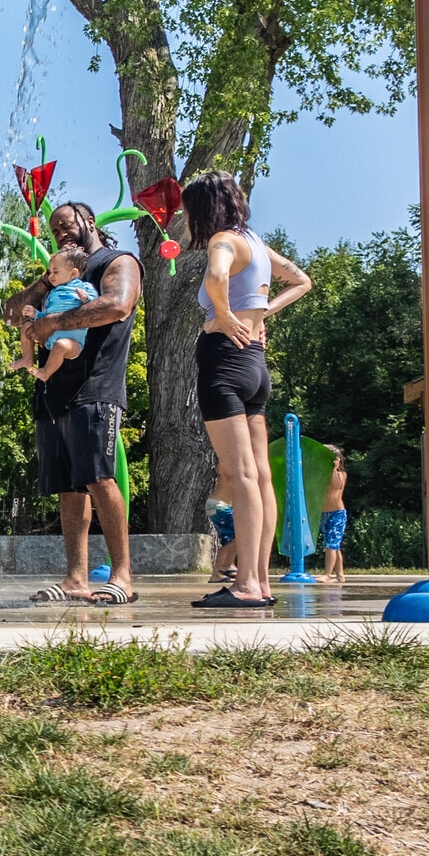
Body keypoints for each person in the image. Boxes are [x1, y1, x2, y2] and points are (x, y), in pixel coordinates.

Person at [180, 172, 312, 609]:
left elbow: (217, 277)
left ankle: (246, 587)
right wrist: (260, 314)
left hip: (223, 362)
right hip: (255, 367)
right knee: (259, 477)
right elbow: (302, 280)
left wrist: (224, 313)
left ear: (203, 208)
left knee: (239, 477)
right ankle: (260, 581)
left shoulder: (223, 241)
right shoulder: (255, 242)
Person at [5, 201, 143, 605]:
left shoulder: (118, 261)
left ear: (89, 221)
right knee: (69, 486)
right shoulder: (57, 276)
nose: (61, 232)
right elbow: (12, 314)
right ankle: (75, 579)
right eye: (55, 229)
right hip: (53, 390)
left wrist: (56, 322)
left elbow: (118, 304)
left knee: (100, 477)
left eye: (67, 224)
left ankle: (122, 576)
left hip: (95, 387)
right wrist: (48, 283)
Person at [9, 248, 97, 381]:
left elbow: (96, 306)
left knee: (61, 345)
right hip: (50, 337)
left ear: (73, 273)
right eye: (50, 272)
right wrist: (34, 313)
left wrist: (85, 298)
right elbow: (46, 317)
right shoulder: (52, 293)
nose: (51, 276)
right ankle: (27, 359)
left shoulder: (83, 287)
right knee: (26, 326)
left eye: (56, 272)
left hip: (73, 343)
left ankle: (45, 372)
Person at [320, 445, 349, 583]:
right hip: (325, 514)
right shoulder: (321, 474)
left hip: (337, 513)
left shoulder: (341, 475)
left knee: (331, 544)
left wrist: (333, 468)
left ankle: (327, 574)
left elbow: (335, 485)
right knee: (335, 546)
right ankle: (340, 576)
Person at [206, 480, 238, 582]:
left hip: (216, 504)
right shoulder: (235, 467)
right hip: (220, 506)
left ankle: (227, 565)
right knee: (238, 535)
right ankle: (222, 568)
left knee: (232, 537)